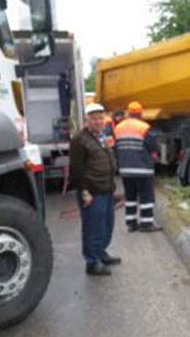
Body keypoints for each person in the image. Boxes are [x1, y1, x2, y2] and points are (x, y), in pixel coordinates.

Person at [69, 103, 123, 276]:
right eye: (93, 118)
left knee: (107, 225)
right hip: (92, 192)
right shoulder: (79, 140)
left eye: (100, 118)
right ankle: (92, 262)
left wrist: (113, 187)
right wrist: (84, 191)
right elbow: (77, 168)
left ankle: (101, 253)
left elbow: (109, 159)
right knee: (93, 227)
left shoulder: (104, 136)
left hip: (106, 189)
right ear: (87, 120)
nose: (98, 121)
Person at [114, 101, 161, 232]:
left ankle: (131, 223)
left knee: (130, 197)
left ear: (128, 113)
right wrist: (155, 156)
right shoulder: (144, 127)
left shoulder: (118, 127)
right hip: (143, 169)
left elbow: (114, 147)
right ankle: (146, 224)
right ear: (140, 113)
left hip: (125, 170)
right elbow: (152, 146)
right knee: (146, 196)